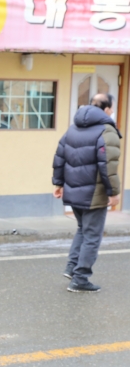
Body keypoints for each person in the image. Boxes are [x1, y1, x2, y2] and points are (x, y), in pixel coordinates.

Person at [52, 93, 121, 293]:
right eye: (112, 107)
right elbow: (108, 165)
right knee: (92, 235)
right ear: (106, 109)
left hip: (74, 191)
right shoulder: (106, 130)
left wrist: (58, 183)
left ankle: (72, 268)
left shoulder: (73, 128)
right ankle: (81, 278)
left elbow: (59, 156)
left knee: (83, 229)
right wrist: (114, 192)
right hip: (94, 194)